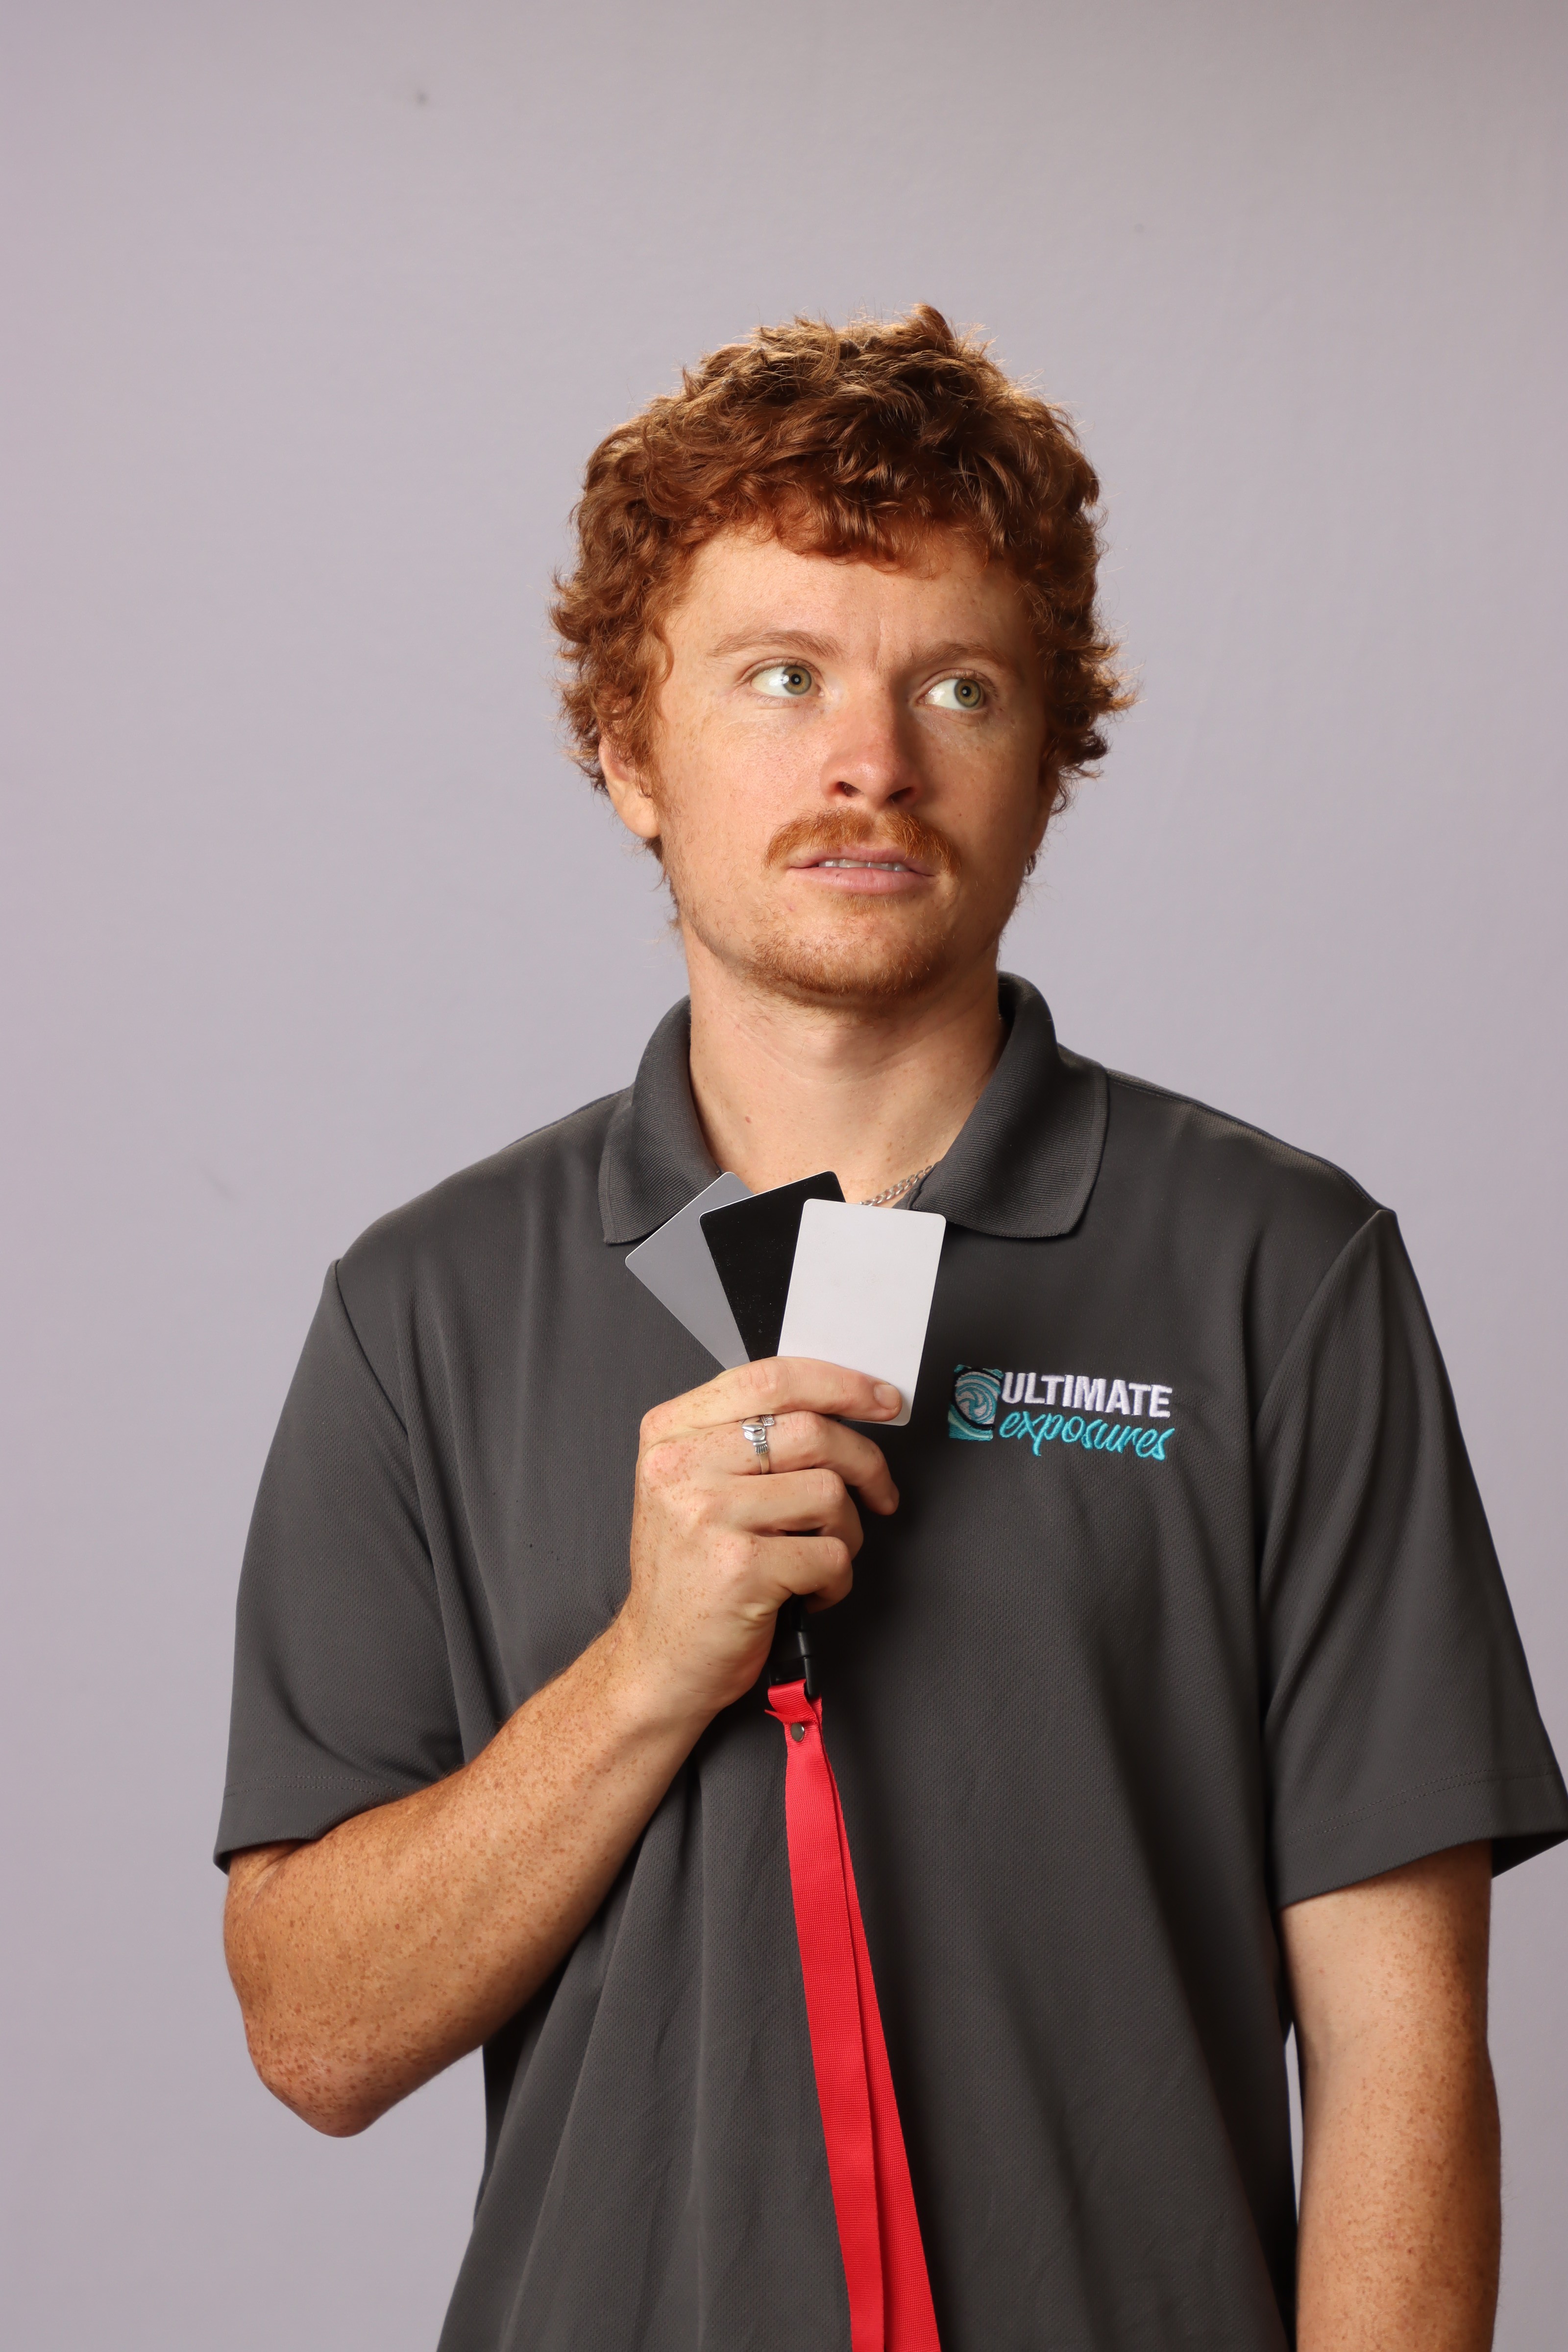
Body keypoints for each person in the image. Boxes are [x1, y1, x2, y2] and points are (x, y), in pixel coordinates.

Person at [218, 306, 1567, 2352]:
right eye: (781, 676)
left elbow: (1401, 2054)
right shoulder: (424, 1306)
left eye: (957, 685)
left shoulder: (1279, 1273)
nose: (872, 761)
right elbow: (315, 2036)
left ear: (1044, 769)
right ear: (629, 751)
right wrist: (646, 1671)